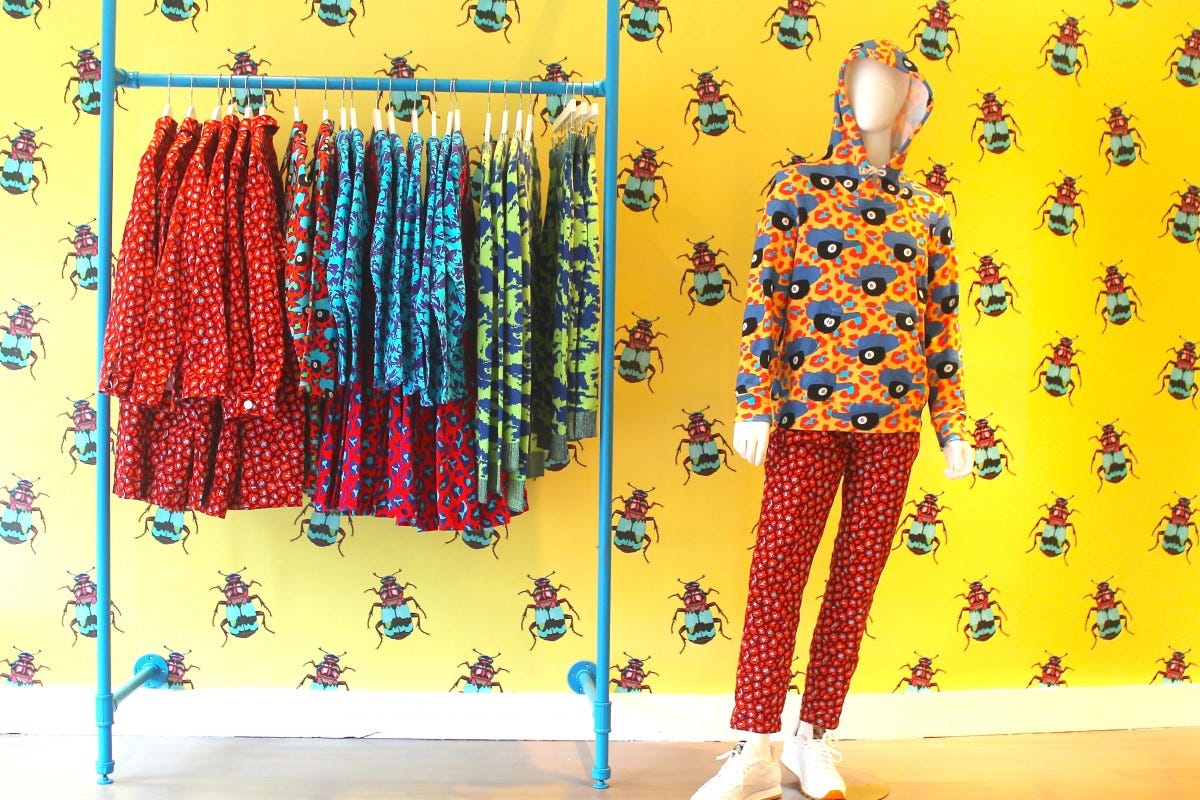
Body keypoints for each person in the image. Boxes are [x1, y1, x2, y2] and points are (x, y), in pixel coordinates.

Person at [692, 40, 971, 800]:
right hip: (804, 416)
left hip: (894, 425)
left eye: (894, 85)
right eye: (865, 81)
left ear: (913, 102)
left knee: (855, 583)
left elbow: (941, 328)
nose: (878, 96)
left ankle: (814, 739)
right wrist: (753, 401)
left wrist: (952, 424)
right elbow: (765, 303)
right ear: (843, 90)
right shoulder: (796, 189)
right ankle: (756, 745)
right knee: (776, 572)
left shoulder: (928, 210)